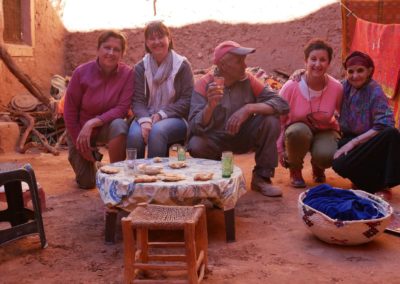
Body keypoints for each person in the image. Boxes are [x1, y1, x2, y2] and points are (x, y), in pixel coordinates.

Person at [188, 40, 289, 197]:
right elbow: (194, 126)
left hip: (243, 136)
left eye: (244, 60)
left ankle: (262, 178)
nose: (244, 65)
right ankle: (218, 178)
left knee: (270, 120)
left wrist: (248, 109)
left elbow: (281, 104)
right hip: (215, 140)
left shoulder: (248, 79)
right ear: (223, 65)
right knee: (196, 144)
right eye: (239, 61)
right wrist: (210, 106)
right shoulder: (203, 84)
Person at [64, 30, 134, 189]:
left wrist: (94, 122)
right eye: (106, 47)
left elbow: (123, 108)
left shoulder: (128, 74)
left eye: (116, 49)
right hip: (80, 130)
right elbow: (69, 112)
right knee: (87, 183)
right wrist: (79, 141)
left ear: (122, 54)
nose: (111, 52)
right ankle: (92, 164)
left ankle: (118, 176)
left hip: (105, 126)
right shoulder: (81, 72)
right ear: (98, 49)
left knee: (120, 125)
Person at [332, 51, 400, 195]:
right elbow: (323, 84)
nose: (355, 76)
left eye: (360, 70)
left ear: (369, 71)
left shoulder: (375, 91)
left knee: (392, 134)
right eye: (351, 71)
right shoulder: (343, 87)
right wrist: (301, 73)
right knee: (339, 163)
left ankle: (382, 185)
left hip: (371, 141)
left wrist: (354, 143)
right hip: (349, 138)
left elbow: (385, 123)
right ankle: (368, 183)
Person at [277, 39, 343, 188]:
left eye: (323, 60)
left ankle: (318, 165)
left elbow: (343, 115)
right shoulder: (291, 86)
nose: (317, 64)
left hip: (325, 130)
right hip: (298, 134)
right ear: (305, 61)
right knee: (297, 131)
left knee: (326, 155)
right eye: (313, 59)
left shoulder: (336, 88)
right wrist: (280, 149)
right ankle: (295, 170)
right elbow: (278, 119)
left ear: (329, 63)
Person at [127, 21, 194, 158]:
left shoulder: (182, 65)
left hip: (176, 117)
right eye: (152, 38)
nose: (157, 42)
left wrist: (161, 115)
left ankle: (155, 177)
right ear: (146, 43)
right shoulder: (141, 67)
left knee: (157, 131)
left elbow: (187, 100)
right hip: (146, 115)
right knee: (134, 136)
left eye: (161, 37)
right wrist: (145, 121)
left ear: (169, 39)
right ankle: (134, 176)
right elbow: (137, 100)